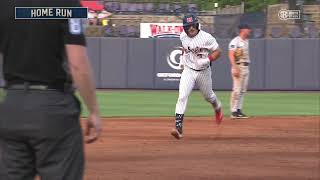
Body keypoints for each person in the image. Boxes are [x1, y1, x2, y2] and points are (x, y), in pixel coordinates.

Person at [0, 0, 102, 179]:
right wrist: (93, 111)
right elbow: (78, 65)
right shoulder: (69, 4)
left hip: (12, 106)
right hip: (53, 107)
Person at [171, 14, 223, 140]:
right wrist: (183, 62)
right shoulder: (183, 36)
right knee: (182, 96)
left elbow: (218, 51)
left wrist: (207, 59)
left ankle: (217, 107)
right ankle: (178, 128)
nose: (191, 28)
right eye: (188, 26)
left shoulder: (206, 37)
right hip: (189, 70)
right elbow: (185, 49)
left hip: (203, 71)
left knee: (208, 96)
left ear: (197, 24)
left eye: (193, 25)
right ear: (184, 27)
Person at [228, 24, 252, 119]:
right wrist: (235, 67)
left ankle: (239, 110)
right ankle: (233, 111)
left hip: (246, 67)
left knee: (242, 90)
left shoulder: (246, 41)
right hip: (238, 66)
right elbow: (231, 55)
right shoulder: (235, 41)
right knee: (237, 90)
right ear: (243, 30)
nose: (249, 30)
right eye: (248, 29)